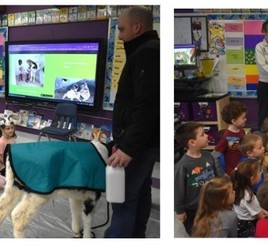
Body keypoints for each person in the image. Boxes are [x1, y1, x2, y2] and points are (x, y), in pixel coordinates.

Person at [105, 6, 159, 238]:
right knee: (139, 193)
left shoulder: (147, 52)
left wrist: (129, 147)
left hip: (138, 145)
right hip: (141, 143)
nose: (119, 35)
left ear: (137, 27)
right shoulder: (144, 50)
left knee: (123, 200)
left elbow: (146, 105)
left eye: (122, 29)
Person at [174, 122, 222, 236]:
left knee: (212, 231)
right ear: (192, 142)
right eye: (202, 134)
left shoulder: (208, 156)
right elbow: (178, 190)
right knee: (197, 234)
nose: (206, 136)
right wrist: (179, 211)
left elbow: (216, 177)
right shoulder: (183, 165)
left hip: (211, 204)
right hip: (193, 210)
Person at [231, 159, 266, 237]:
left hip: (238, 222)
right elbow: (261, 217)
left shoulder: (236, 188)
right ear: (252, 178)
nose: (261, 173)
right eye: (259, 171)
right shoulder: (250, 197)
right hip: (248, 226)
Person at [213, 101, 248, 174]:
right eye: (243, 118)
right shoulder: (226, 136)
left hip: (242, 168)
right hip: (232, 173)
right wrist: (222, 174)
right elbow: (215, 155)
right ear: (234, 121)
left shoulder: (242, 131)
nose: (246, 119)